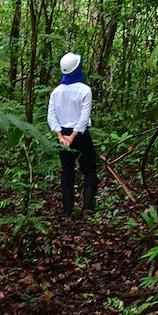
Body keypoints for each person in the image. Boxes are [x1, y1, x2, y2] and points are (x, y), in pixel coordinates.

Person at [47, 52, 97, 214]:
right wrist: (73, 136)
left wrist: (61, 136)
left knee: (67, 172)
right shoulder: (85, 90)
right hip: (80, 135)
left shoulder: (56, 92)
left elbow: (51, 116)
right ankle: (88, 207)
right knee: (89, 170)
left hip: (63, 136)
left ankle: (68, 209)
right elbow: (84, 117)